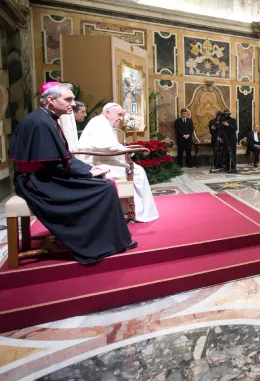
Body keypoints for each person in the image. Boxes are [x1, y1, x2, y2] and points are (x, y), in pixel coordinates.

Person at [9, 82, 135, 264]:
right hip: (36, 181)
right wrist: (88, 173)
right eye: (68, 99)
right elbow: (55, 164)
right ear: (51, 100)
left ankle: (111, 240)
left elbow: (61, 159)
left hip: (43, 175)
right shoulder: (41, 122)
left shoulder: (46, 118)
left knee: (103, 184)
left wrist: (89, 169)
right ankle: (95, 243)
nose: (73, 104)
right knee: (103, 188)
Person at [78, 103, 159, 223]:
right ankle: (136, 212)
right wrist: (130, 151)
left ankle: (130, 210)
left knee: (136, 169)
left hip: (103, 159)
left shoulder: (103, 122)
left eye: (122, 115)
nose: (121, 118)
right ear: (107, 113)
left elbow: (111, 146)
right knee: (138, 172)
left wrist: (129, 150)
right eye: (119, 115)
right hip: (96, 163)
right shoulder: (100, 124)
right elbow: (110, 147)